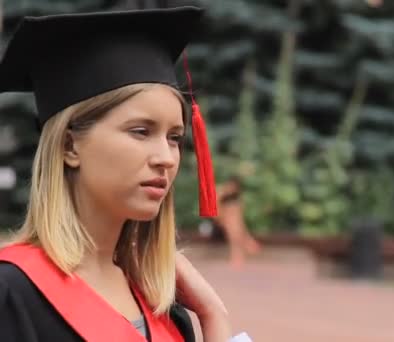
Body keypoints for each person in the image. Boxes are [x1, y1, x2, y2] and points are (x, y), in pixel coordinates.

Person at [0, 6, 251, 342]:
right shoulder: (13, 295)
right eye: (140, 131)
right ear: (69, 146)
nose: (166, 158)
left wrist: (213, 316)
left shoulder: (165, 306)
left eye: (174, 137)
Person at [214, 176, 261, 268]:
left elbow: (239, 211)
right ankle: (242, 250)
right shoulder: (221, 191)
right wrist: (220, 219)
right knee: (234, 237)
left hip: (234, 220)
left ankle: (241, 252)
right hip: (225, 219)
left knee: (236, 236)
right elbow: (217, 207)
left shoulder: (236, 197)